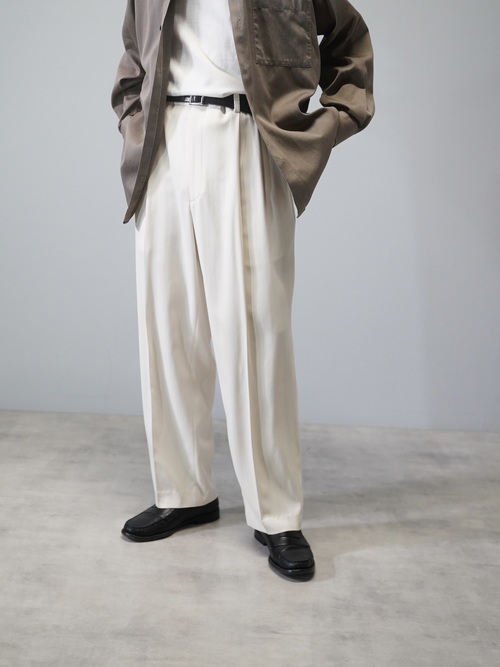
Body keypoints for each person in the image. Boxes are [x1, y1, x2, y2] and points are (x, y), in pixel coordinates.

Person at [112, 0, 374, 581]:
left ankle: (276, 514)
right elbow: (134, 52)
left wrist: (326, 124)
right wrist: (133, 117)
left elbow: (349, 41)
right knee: (169, 326)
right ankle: (182, 492)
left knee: (256, 332)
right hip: (164, 142)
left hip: (247, 136)